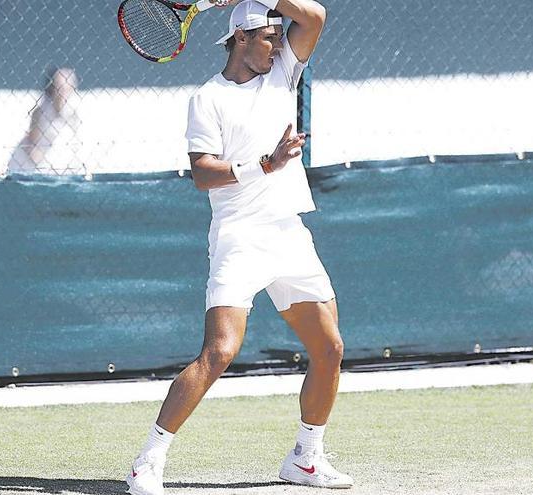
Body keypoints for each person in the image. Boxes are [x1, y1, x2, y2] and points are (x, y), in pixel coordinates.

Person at [126, 1, 353, 494]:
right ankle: (148, 460)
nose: (279, 43)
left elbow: (313, 16)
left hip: (289, 233)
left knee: (329, 347)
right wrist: (263, 166)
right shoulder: (207, 98)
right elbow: (202, 173)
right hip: (239, 237)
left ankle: (306, 459)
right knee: (219, 352)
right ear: (241, 40)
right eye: (269, 36)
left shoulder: (282, 74)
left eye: (278, 35)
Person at [7, 67, 83, 175]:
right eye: (60, 87)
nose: (63, 92)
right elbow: (31, 145)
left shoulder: (74, 111)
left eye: (68, 88)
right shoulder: (41, 112)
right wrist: (45, 166)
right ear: (52, 88)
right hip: (31, 167)